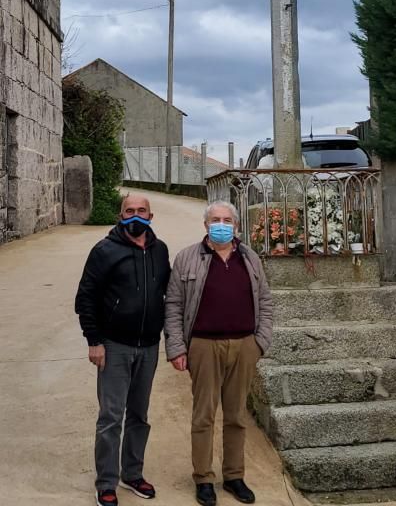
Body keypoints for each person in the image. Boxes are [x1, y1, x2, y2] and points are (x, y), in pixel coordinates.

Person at [165, 200, 273, 506]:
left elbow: (264, 299)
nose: (221, 224)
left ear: (236, 225)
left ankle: (234, 476)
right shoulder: (187, 258)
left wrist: (260, 341)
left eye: (227, 219)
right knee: (204, 415)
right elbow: (173, 305)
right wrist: (176, 347)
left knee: (237, 415)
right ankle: (203, 478)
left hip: (244, 345)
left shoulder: (250, 258)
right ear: (206, 225)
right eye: (216, 219)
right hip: (202, 345)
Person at [75, 193, 170, 506]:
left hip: (148, 346)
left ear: (151, 216)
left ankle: (132, 474)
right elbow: (85, 299)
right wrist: (94, 341)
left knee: (139, 415)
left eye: (142, 211)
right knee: (111, 417)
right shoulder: (104, 251)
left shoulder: (160, 250)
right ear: (120, 216)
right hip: (114, 347)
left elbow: (168, 295)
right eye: (129, 211)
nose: (135, 216)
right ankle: (106, 482)